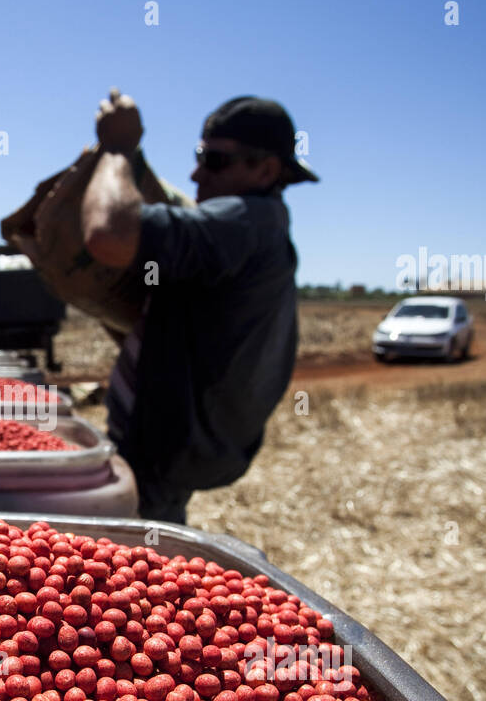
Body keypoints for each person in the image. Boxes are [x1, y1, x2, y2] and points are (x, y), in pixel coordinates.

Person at [81, 90, 319, 525]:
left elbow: (109, 235)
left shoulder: (245, 221)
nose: (196, 174)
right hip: (167, 448)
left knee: (136, 566)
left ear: (265, 169)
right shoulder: (256, 230)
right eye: (199, 156)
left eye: (214, 161)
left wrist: (118, 147)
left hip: (165, 451)